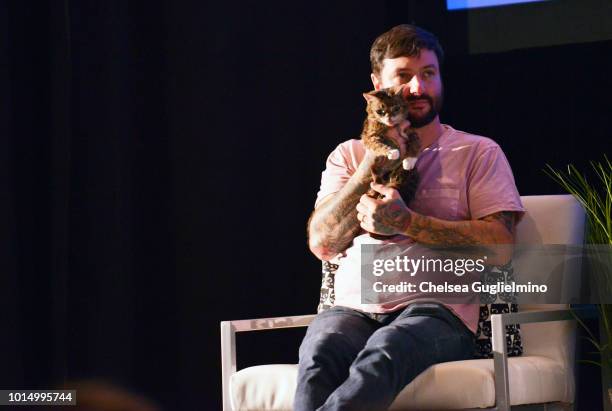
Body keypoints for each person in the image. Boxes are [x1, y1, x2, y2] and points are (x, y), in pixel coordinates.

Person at [295, 24, 525, 411]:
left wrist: (407, 223)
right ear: (376, 83)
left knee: (386, 350)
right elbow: (323, 242)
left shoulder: (477, 152)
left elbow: (500, 247)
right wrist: (372, 162)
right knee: (320, 349)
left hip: (438, 314)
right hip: (353, 311)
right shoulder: (347, 156)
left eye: (428, 74)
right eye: (403, 76)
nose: (418, 88)